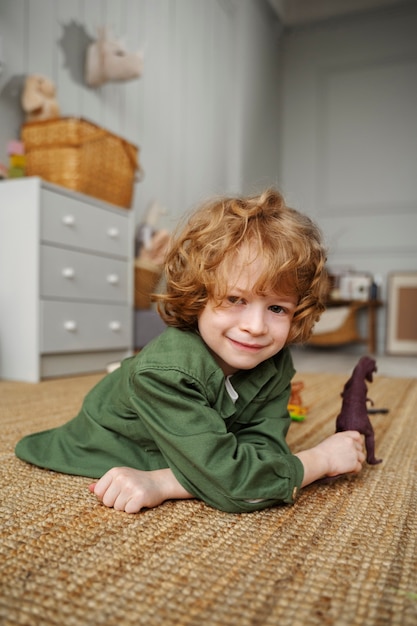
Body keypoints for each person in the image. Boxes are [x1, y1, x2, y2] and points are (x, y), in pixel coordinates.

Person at [15, 189, 365, 514]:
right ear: (199, 297)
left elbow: (264, 452)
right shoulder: (165, 373)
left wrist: (164, 482)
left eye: (277, 309)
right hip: (101, 445)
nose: (256, 326)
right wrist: (321, 460)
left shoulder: (273, 360)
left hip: (185, 446)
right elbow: (236, 486)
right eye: (234, 299)